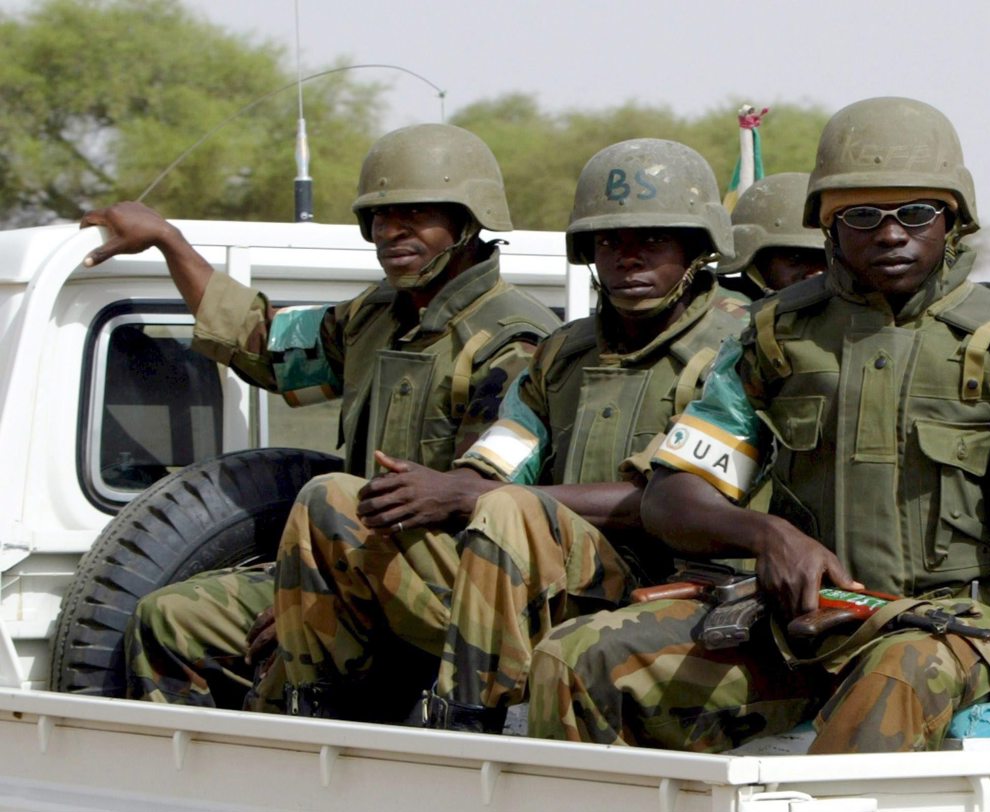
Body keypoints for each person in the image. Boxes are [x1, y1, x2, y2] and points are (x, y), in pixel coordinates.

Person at [528, 97, 990, 785]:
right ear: (828, 226)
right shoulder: (775, 340)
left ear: (953, 221)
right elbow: (672, 495)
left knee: (896, 677)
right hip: (805, 624)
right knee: (576, 658)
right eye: (862, 215)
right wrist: (765, 533)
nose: (890, 234)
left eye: (915, 213)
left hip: (959, 632)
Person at [268, 138, 750, 728]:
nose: (628, 258)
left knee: (504, 510)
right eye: (609, 242)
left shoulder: (737, 349)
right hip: (550, 574)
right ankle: (315, 711)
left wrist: (479, 496)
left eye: (653, 240)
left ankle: (476, 719)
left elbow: (668, 503)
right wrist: (439, 490)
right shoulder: (564, 353)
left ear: (698, 249)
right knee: (333, 498)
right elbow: (502, 460)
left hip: (675, 586)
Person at [79, 123, 561, 709]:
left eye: (416, 215)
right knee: (171, 618)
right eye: (380, 218)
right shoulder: (377, 315)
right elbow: (265, 346)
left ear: (468, 220)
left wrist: (311, 603)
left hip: (459, 590)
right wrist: (169, 241)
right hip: (354, 565)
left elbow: (487, 500)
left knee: (327, 504)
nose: (391, 232)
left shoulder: (513, 340)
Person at [716, 172, 825, 298]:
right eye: (795, 258)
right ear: (753, 262)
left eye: (827, 260)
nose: (817, 274)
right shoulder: (721, 313)